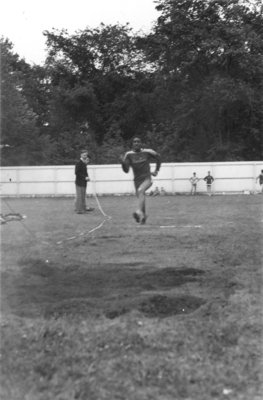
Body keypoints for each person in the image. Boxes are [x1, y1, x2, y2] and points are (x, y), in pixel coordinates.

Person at [120, 137, 161, 224]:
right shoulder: (128, 154)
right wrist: (122, 164)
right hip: (136, 180)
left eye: (138, 142)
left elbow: (158, 157)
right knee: (141, 198)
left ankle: (138, 212)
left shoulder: (147, 152)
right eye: (134, 142)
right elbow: (126, 170)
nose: (136, 143)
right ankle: (143, 216)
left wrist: (156, 170)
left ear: (141, 143)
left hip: (147, 178)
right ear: (132, 144)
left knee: (141, 190)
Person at [74, 149, 94, 214]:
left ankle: (83, 208)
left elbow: (85, 172)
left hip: (83, 182)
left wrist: (87, 177)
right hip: (79, 182)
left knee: (83, 196)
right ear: (81, 155)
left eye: (86, 155)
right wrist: (85, 177)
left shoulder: (84, 163)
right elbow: (77, 173)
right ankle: (79, 210)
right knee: (80, 196)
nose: (85, 156)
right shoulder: (79, 163)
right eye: (84, 155)